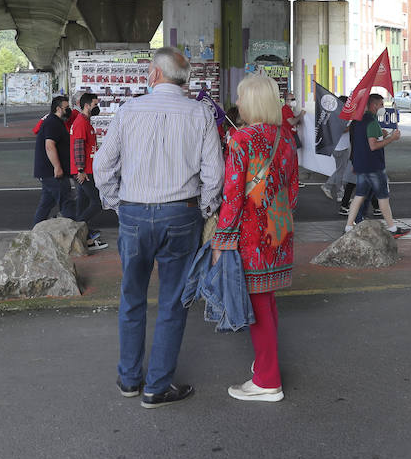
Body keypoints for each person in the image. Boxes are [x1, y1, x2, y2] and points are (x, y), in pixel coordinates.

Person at [92, 47, 223, 409]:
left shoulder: (129, 111)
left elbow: (102, 166)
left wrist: (117, 204)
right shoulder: (200, 113)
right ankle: (157, 386)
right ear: (186, 80)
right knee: (172, 301)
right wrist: (206, 209)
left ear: (153, 75)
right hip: (181, 215)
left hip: (133, 214)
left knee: (131, 297)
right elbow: (214, 175)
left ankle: (129, 379)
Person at [212, 73, 299, 403]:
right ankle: (267, 364)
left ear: (251, 101)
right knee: (268, 302)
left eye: (240, 97)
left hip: (250, 237)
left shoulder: (242, 139)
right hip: (279, 233)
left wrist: (222, 241)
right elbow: (292, 193)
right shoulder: (286, 138)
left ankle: (267, 380)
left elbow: (232, 196)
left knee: (258, 308)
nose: (237, 103)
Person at [344, 94, 410, 234]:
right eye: (381, 104)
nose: (383, 108)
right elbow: (373, 146)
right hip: (374, 166)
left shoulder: (358, 121)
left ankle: (349, 226)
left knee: (359, 195)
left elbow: (358, 142)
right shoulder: (372, 122)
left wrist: (383, 135)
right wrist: (392, 138)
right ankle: (392, 228)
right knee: (383, 196)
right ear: (374, 105)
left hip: (361, 164)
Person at [69, 92, 108, 250]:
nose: (97, 107)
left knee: (83, 204)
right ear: (86, 106)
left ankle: (84, 237)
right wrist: (80, 170)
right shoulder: (81, 123)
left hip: (86, 169)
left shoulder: (85, 121)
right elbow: (78, 146)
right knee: (96, 203)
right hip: (83, 171)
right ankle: (76, 231)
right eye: (95, 104)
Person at [33, 96, 75, 224]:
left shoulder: (56, 122)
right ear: (58, 108)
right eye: (66, 108)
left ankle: (35, 232)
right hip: (53, 172)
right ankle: (80, 234)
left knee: (46, 203)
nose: (69, 110)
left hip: (48, 172)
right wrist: (57, 167)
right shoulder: (52, 123)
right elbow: (49, 145)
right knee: (66, 202)